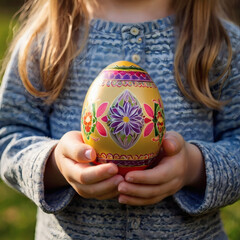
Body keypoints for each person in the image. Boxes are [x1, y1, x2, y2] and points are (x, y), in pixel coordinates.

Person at [0, 0, 239, 239]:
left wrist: (193, 169)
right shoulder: (45, 40)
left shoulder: (222, 42)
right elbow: (9, 135)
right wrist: (56, 165)